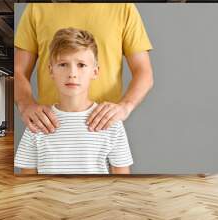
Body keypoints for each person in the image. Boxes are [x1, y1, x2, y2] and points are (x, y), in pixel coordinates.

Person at [14, 3, 154, 139]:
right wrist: (26, 104)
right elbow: (18, 70)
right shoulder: (36, 7)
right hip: (48, 128)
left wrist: (125, 107)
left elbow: (143, 71)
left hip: (103, 128)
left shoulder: (123, 7)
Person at [14, 28, 133, 174]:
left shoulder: (110, 122)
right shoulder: (38, 122)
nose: (72, 74)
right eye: (63, 64)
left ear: (95, 71)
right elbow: (27, 183)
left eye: (81, 65)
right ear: (51, 70)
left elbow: (122, 180)